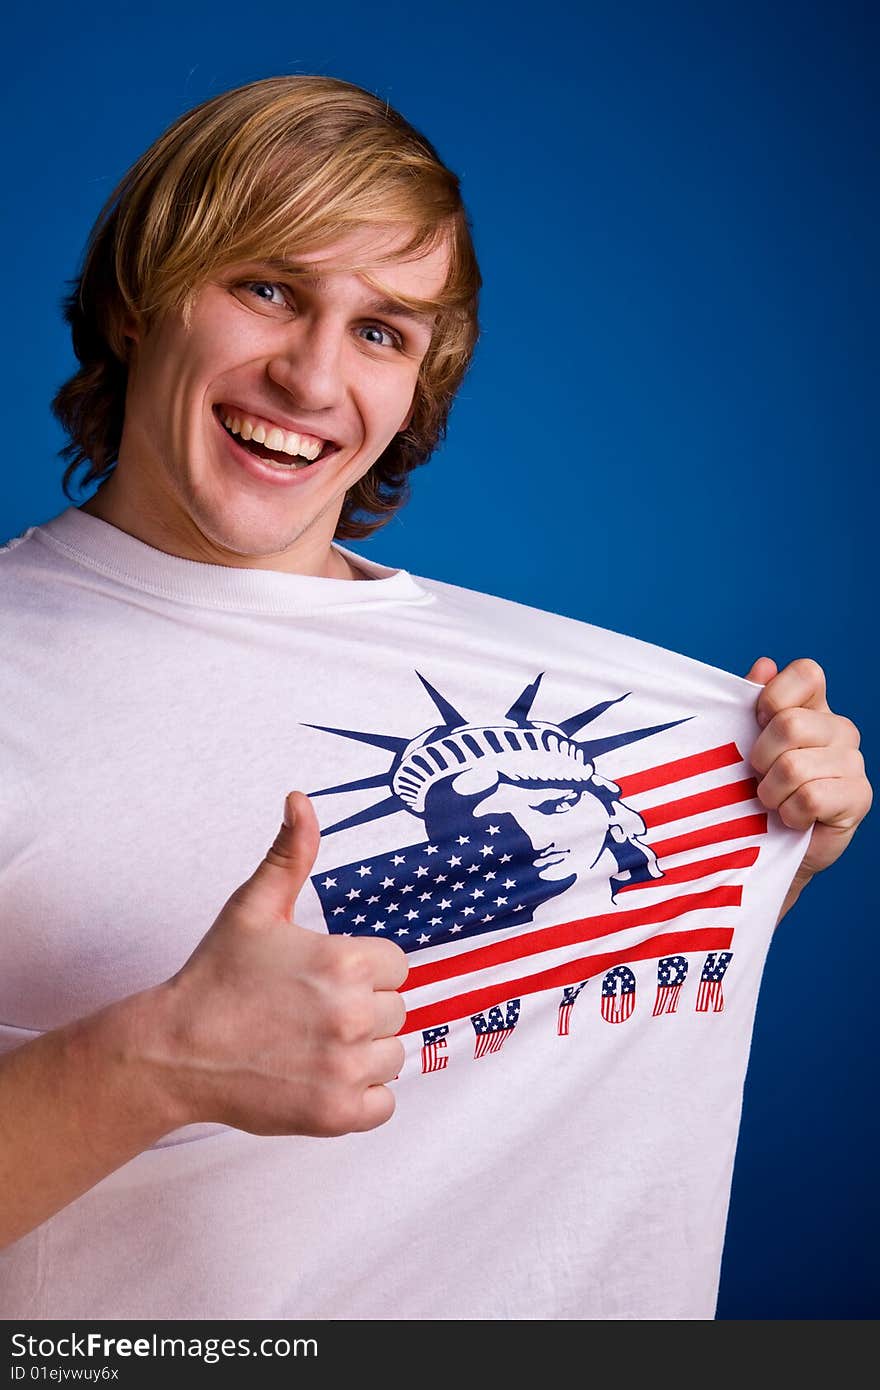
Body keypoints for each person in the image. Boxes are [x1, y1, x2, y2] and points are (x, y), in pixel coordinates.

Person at [0, 73, 871, 1322]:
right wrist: (149, 1062)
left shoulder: (583, 694)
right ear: (140, 302)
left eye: (382, 330)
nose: (309, 377)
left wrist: (773, 850)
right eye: (265, 288)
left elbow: (546, 1014)